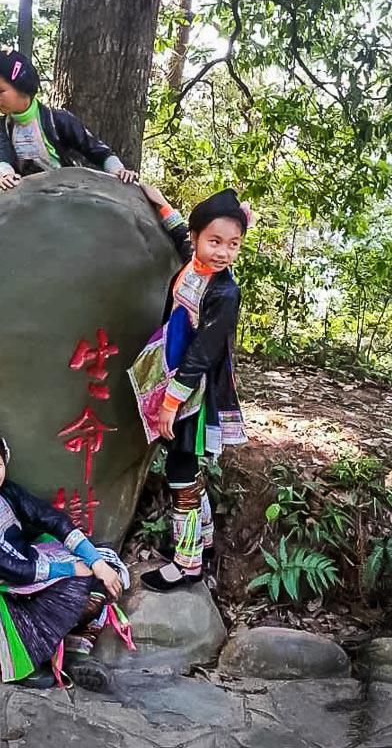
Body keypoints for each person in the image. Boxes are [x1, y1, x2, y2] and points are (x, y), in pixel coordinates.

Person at [0, 412, 132, 690]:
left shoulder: (6, 491)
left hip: (28, 567)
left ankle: (75, 649)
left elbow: (49, 517)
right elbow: (16, 570)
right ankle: (31, 656)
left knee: (104, 566)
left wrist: (95, 561)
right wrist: (68, 568)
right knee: (74, 585)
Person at [128, 186, 250, 592]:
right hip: (176, 375)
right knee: (186, 467)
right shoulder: (193, 263)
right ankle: (206, 538)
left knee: (180, 470)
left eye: (233, 244)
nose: (223, 252)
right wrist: (157, 199)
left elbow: (202, 354)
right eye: (215, 241)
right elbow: (180, 228)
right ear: (199, 238)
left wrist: (169, 404)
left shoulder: (224, 292)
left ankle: (187, 562)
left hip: (194, 391)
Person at [0, 47, 137, 188]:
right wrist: (6, 174)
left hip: (65, 192)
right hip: (26, 195)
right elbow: (2, 156)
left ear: (22, 88)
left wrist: (118, 170)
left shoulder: (59, 120)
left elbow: (96, 149)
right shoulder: (4, 126)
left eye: (0, 90)